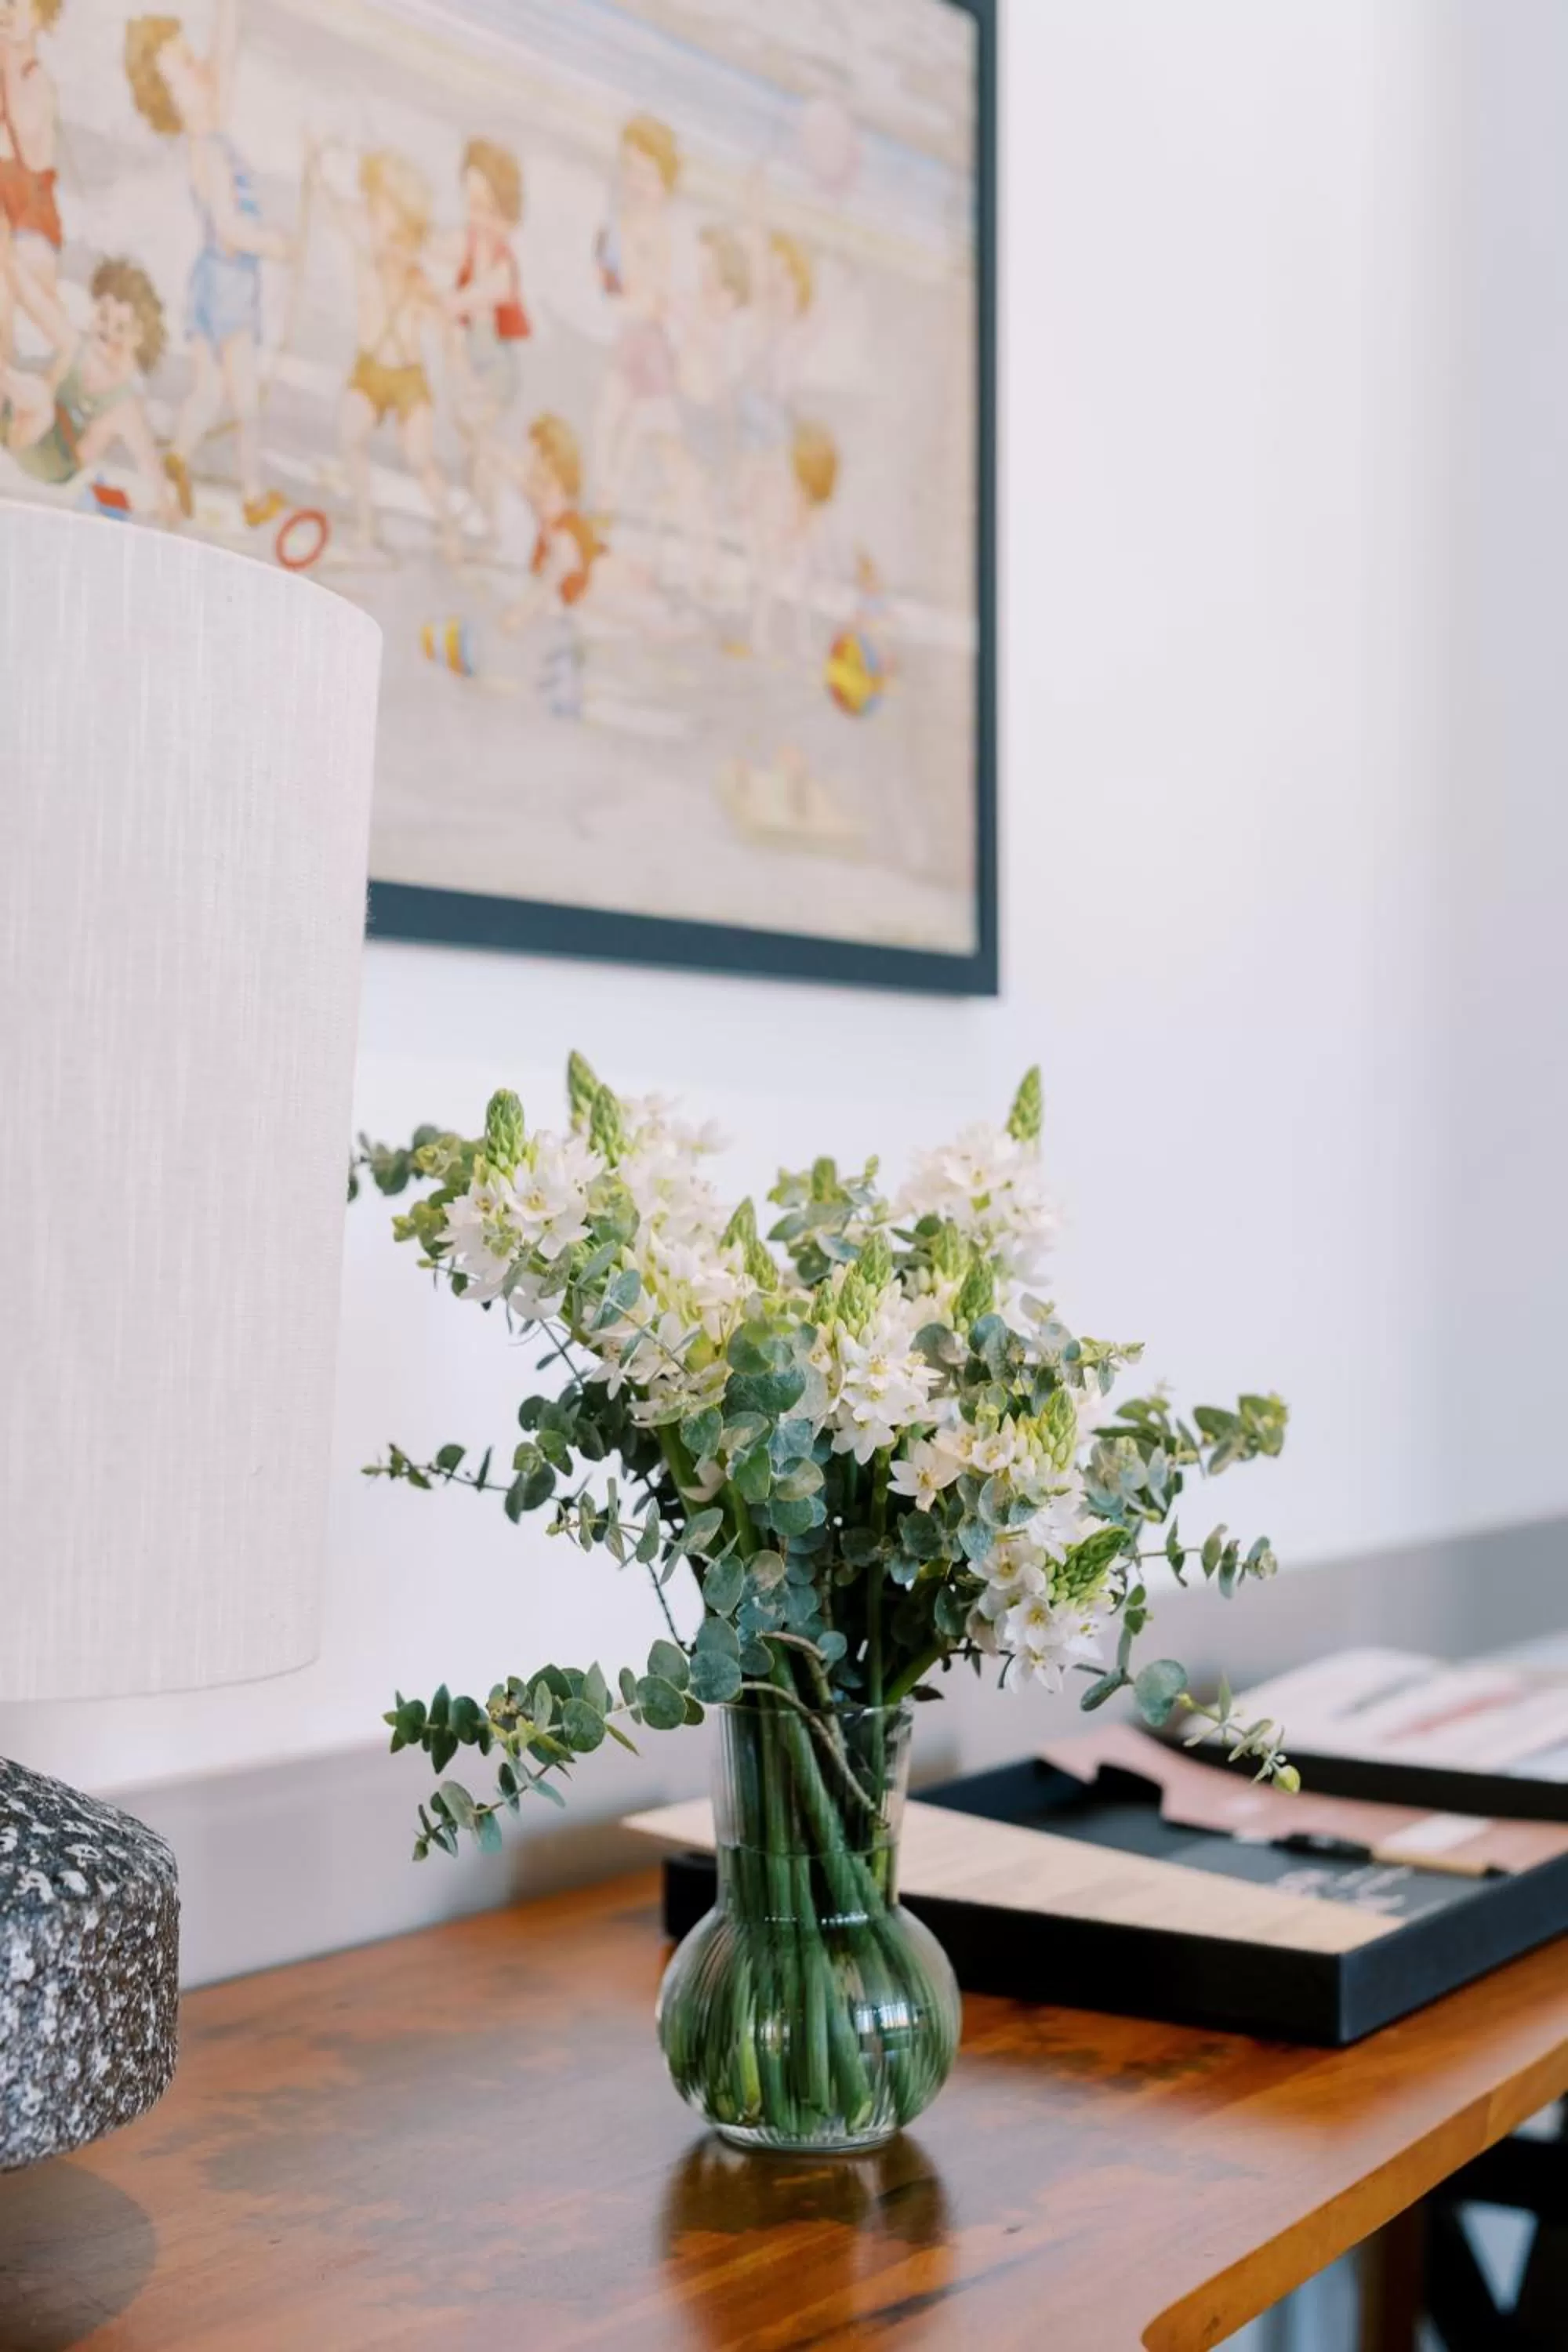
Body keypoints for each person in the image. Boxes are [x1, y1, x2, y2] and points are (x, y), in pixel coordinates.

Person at [124, 2, 290, 528]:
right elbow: (230, 230)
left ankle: (179, 460)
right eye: (182, 68)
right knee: (238, 396)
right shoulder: (207, 149)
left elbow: (225, 54)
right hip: (227, 282)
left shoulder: (211, 124)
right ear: (169, 98)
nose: (198, 68)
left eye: (189, 55)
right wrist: (276, 244)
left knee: (214, 390)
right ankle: (250, 493)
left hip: (215, 283)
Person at [310, 143, 456, 561]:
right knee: (349, 433)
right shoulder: (366, 255)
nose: (386, 240)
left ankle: (448, 526)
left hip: (408, 377)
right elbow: (337, 210)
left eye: (395, 233)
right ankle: (366, 523)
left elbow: (445, 322)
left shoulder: (416, 279)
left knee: (419, 456)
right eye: (374, 215)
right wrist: (317, 171)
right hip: (370, 368)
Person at [0, 252, 175, 518]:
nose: (107, 331)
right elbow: (38, 305)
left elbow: (148, 461)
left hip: (52, 461)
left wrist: (167, 508)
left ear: (137, 337)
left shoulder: (123, 405)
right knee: (37, 397)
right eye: (103, 317)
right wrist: (10, 263)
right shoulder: (76, 345)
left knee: (41, 401)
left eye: (120, 328)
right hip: (17, 426)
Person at [438, 136, 528, 547]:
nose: (476, 218)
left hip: (496, 369)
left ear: (506, 215)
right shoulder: (468, 247)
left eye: (487, 210)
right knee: (474, 442)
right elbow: (438, 248)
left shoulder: (503, 268)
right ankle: (485, 512)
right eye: (471, 206)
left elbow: (466, 301)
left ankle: (491, 513)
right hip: (473, 362)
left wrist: (445, 301)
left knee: (481, 440)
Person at [590, 112, 679, 514]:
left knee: (637, 428)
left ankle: (614, 496)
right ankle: (605, 493)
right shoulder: (621, 225)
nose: (636, 183)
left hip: (648, 344)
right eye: (630, 171)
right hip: (630, 337)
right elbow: (611, 287)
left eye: (647, 175)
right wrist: (608, 272)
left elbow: (654, 295)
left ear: (664, 185)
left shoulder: (656, 229)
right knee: (608, 418)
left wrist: (629, 292)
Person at [499, 411, 605, 715]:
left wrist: (519, 616)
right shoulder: (551, 514)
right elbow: (516, 475)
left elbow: (550, 579)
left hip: (603, 599)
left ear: (553, 478)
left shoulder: (565, 535)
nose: (530, 488)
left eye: (537, 476)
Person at [0, 0, 63, 366]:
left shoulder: (36, 79)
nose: (4, 11)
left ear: (41, 15)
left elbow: (23, 139)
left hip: (31, 222)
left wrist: (7, 57)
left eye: (14, 4)